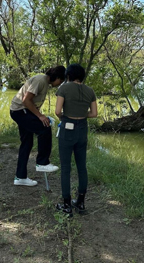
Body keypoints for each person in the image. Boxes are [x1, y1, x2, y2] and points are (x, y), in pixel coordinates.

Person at [10, 65, 66, 186]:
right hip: (20, 110)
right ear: (56, 77)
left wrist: (40, 115)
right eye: (60, 81)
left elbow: (32, 103)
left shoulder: (45, 83)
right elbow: (26, 100)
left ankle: (20, 177)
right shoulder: (40, 80)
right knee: (44, 128)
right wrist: (40, 117)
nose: (59, 83)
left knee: (27, 143)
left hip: (23, 111)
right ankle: (42, 163)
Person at [55, 63, 97, 215]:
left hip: (67, 128)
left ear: (68, 75)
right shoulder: (90, 91)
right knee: (82, 167)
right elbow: (93, 114)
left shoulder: (64, 89)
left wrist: (67, 116)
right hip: (82, 129)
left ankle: (66, 204)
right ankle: (81, 203)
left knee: (66, 167)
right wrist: (81, 114)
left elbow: (58, 111)